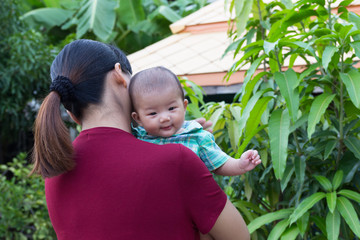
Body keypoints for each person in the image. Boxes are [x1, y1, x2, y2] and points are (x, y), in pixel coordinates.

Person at [31, 39, 250, 240]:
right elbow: (240, 237)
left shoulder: (55, 172)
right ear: (119, 75)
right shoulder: (176, 160)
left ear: (71, 112)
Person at [129, 66, 261, 176]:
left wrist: (240, 164)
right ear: (138, 118)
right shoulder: (136, 137)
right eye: (153, 113)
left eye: (171, 108)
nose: (165, 118)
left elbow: (219, 163)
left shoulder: (196, 136)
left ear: (184, 106)